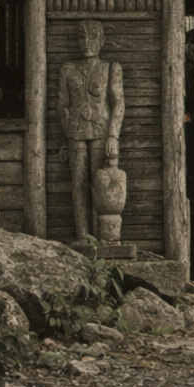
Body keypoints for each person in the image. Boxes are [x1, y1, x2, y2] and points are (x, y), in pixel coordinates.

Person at [58, 20, 125, 241]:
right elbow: (63, 105)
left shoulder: (110, 68)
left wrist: (113, 134)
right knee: (78, 183)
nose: (86, 42)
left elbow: (118, 103)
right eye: (82, 37)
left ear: (102, 41)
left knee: (101, 182)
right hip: (76, 134)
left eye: (92, 38)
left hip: (102, 133)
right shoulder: (68, 69)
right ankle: (83, 234)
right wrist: (66, 132)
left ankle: (102, 233)